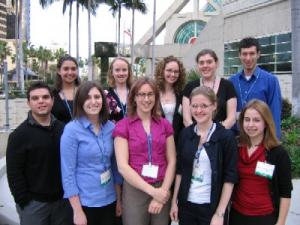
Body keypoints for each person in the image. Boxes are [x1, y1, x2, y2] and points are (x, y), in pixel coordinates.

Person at [170, 86, 238, 225]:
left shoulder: (225, 137)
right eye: (194, 106)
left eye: (204, 106)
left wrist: (220, 213)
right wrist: (174, 202)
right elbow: (180, 171)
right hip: (187, 205)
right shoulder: (186, 134)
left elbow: (230, 177)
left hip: (211, 208)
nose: (198, 110)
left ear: (214, 106)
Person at [113, 77, 176, 225]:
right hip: (136, 189)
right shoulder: (123, 126)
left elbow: (172, 160)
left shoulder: (165, 124)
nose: (146, 99)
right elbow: (122, 167)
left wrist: (162, 193)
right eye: (141, 94)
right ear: (134, 97)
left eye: (150, 94)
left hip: (162, 187)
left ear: (156, 97)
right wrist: (153, 192)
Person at [6, 81, 70, 225]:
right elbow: (14, 173)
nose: (41, 101)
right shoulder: (19, 135)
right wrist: (23, 201)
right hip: (34, 206)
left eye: (45, 97)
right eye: (35, 98)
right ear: (28, 103)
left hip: (63, 203)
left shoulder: (65, 130)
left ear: (52, 101)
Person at [60, 81, 122, 225]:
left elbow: (114, 167)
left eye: (97, 97)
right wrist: (77, 210)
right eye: (87, 98)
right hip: (85, 202)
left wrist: (119, 199)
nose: (93, 102)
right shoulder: (71, 130)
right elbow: (68, 173)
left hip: (109, 199)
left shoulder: (111, 128)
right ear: (80, 101)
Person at [229, 99, 292, 225]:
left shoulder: (278, 153)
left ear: (266, 123)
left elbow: (285, 192)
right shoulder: (235, 148)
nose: (250, 125)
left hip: (265, 217)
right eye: (247, 119)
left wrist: (281, 222)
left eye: (257, 120)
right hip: (237, 216)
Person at [229, 37, 282, 138]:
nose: (248, 58)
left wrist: (274, 141)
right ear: (239, 55)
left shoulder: (270, 80)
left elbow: (274, 114)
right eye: (244, 54)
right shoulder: (231, 81)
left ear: (258, 54)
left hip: (261, 139)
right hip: (236, 139)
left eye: (252, 53)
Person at [182, 49, 237, 129]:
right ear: (197, 66)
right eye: (201, 63)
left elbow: (231, 119)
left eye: (209, 62)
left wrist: (214, 134)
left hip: (221, 137)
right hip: (195, 137)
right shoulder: (189, 87)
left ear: (216, 63)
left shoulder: (227, 86)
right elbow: (187, 120)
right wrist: (199, 134)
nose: (205, 65)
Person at [154, 56, 186, 144]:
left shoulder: (182, 95)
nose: (172, 74)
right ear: (162, 71)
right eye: (169, 70)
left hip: (177, 142)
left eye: (176, 72)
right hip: (157, 140)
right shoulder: (153, 92)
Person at [52, 55, 80, 123]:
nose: (70, 73)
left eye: (73, 69)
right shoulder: (51, 94)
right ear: (59, 71)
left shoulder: (85, 92)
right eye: (66, 69)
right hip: (60, 133)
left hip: (83, 133)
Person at [105, 57, 133, 123]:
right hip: (113, 132)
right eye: (117, 70)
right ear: (112, 72)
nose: (121, 73)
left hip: (134, 132)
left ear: (129, 72)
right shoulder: (106, 94)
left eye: (124, 70)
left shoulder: (136, 92)